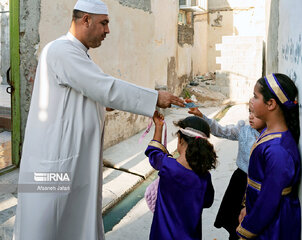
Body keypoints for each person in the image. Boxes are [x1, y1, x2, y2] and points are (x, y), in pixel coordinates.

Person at [13, 0, 184, 239]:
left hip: (71, 161)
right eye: (104, 23)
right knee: (50, 225)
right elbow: (105, 87)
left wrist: (104, 103)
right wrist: (155, 97)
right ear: (86, 20)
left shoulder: (75, 54)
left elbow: (87, 93)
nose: (107, 30)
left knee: (71, 222)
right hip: (56, 162)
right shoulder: (62, 50)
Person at [236, 73, 301, 240]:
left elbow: (269, 200)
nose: (252, 100)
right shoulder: (267, 132)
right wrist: (247, 208)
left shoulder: (278, 151)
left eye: (255, 97)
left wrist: (247, 230)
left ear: (271, 104)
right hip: (262, 216)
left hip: (273, 225)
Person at [189, 102, 266, 240]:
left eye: (256, 114)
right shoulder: (243, 130)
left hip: (258, 185)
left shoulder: (270, 137)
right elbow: (221, 130)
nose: (251, 117)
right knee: (233, 222)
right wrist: (202, 117)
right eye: (250, 112)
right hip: (240, 182)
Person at [145, 112, 217, 240]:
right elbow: (207, 202)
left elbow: (153, 152)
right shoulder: (205, 177)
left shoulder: (167, 166)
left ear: (180, 139)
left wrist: (159, 126)